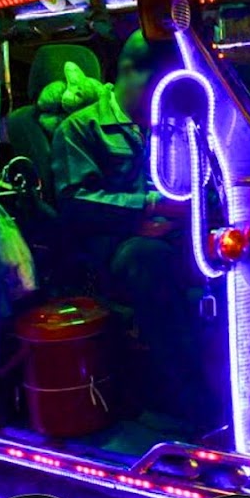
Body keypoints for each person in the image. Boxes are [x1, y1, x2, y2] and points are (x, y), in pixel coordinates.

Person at [50, 31, 202, 396]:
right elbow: (75, 202)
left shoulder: (174, 124)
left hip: (174, 231)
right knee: (146, 260)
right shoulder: (79, 129)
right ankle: (188, 394)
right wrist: (147, 207)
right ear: (131, 73)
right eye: (160, 85)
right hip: (112, 247)